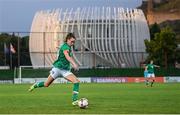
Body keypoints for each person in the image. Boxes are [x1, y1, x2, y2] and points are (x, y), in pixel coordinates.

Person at [28, 33, 80, 106]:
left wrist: (59, 48)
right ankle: (35, 85)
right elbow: (67, 56)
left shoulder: (66, 46)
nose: (73, 43)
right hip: (57, 69)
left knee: (76, 82)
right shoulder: (66, 47)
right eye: (72, 41)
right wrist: (74, 64)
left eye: (74, 42)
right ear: (68, 40)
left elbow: (63, 50)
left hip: (65, 70)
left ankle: (74, 101)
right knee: (46, 84)